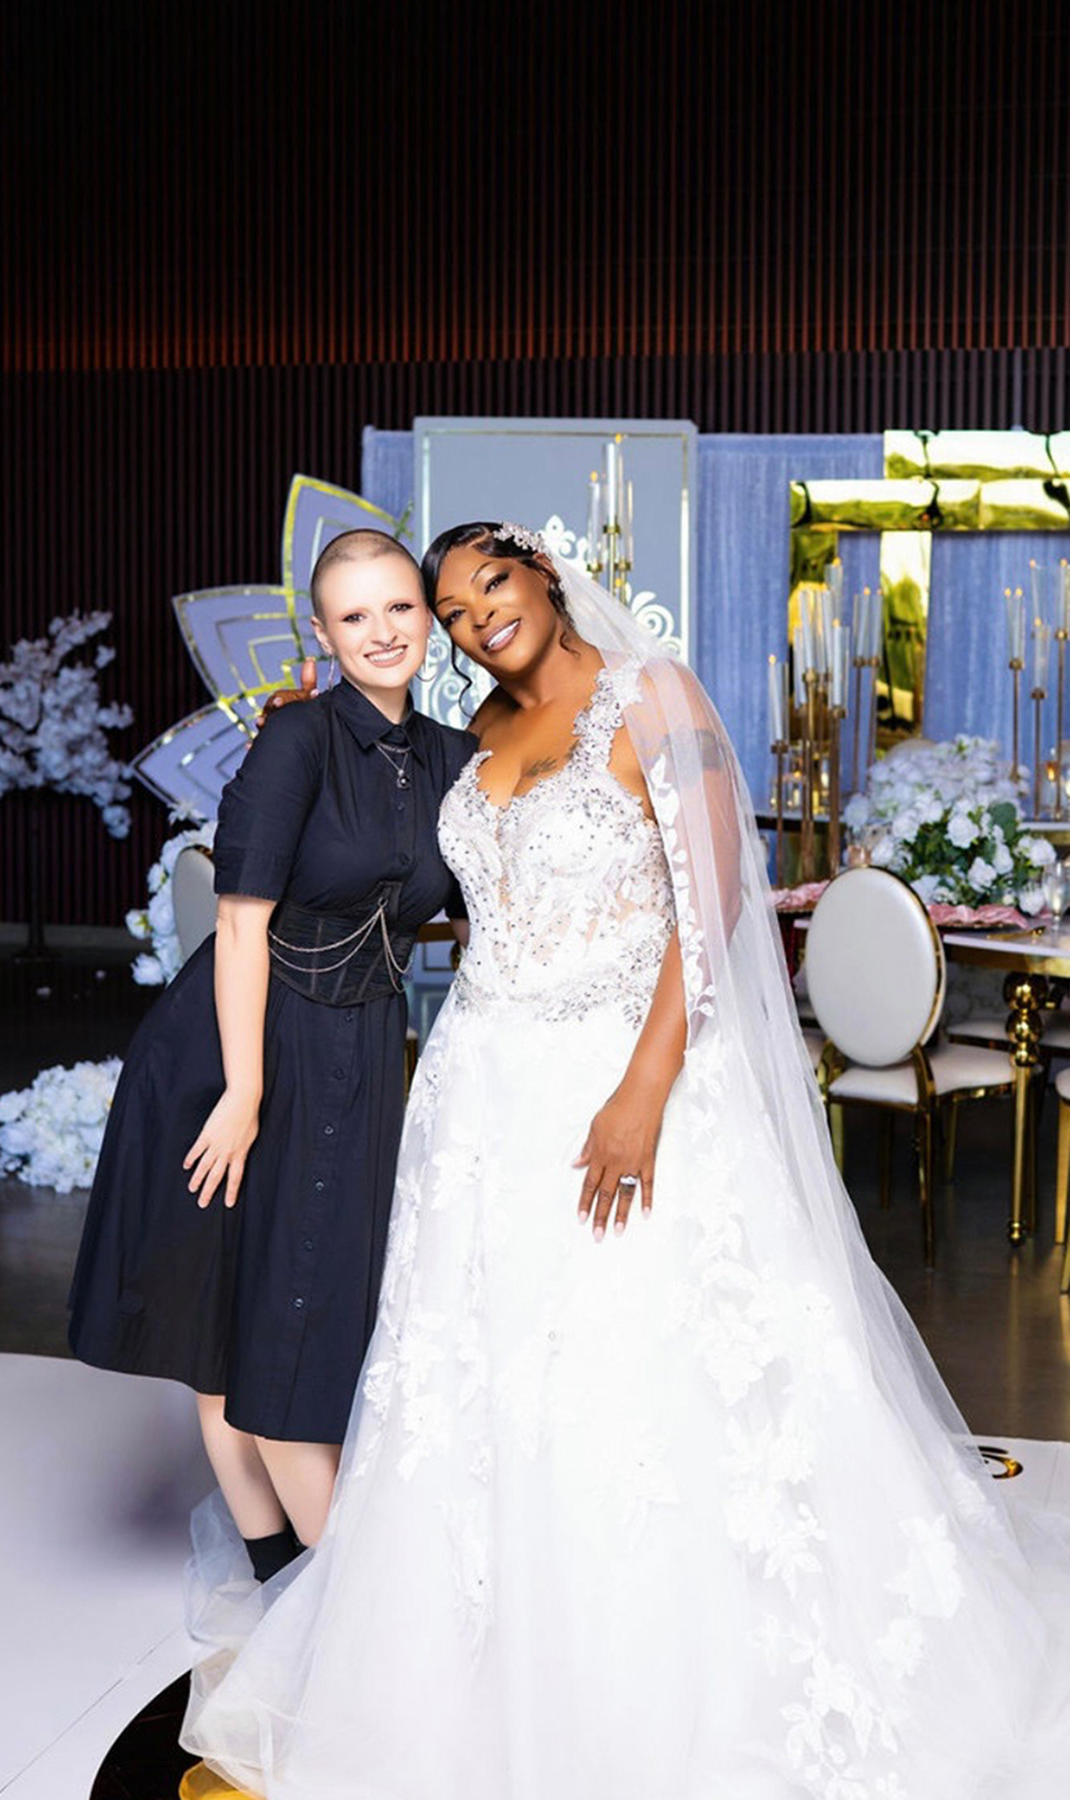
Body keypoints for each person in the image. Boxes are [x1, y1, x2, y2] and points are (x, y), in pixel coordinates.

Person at [182, 522, 1070, 1799]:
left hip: (620, 1083)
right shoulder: (473, 735)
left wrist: (644, 1091)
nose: (476, 617)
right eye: (451, 608)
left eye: (492, 584)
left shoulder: (656, 697)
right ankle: (484, 1660)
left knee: (635, 1362)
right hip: (479, 1098)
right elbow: (457, 901)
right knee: (484, 1375)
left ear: (547, 575)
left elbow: (712, 901)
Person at [69, 529, 476, 1578]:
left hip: (361, 1041)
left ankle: (298, 1589)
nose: (381, 632)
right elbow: (241, 922)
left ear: (429, 618)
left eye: (399, 607)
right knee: (237, 1328)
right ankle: (308, 1589)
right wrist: (245, 1092)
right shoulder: (298, 738)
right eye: (355, 615)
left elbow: (438, 907)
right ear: (324, 633)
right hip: (237, 1047)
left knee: (295, 1313)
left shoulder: (452, 756)